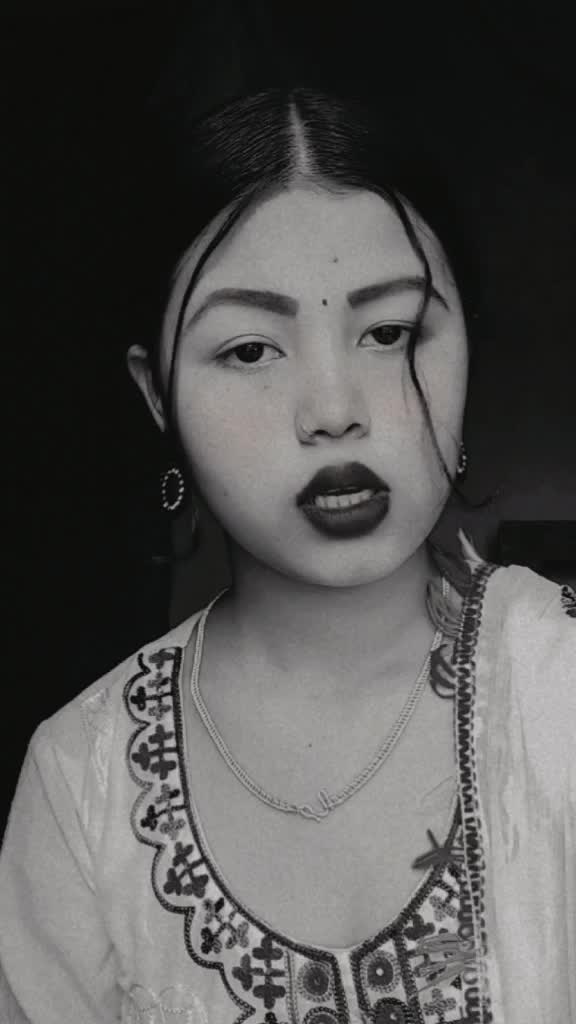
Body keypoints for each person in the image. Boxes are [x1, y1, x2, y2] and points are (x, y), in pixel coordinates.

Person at [0, 86, 574, 1024]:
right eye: (251, 350)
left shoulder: (561, 685)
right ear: (157, 396)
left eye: (389, 333)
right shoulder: (85, 782)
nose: (334, 409)